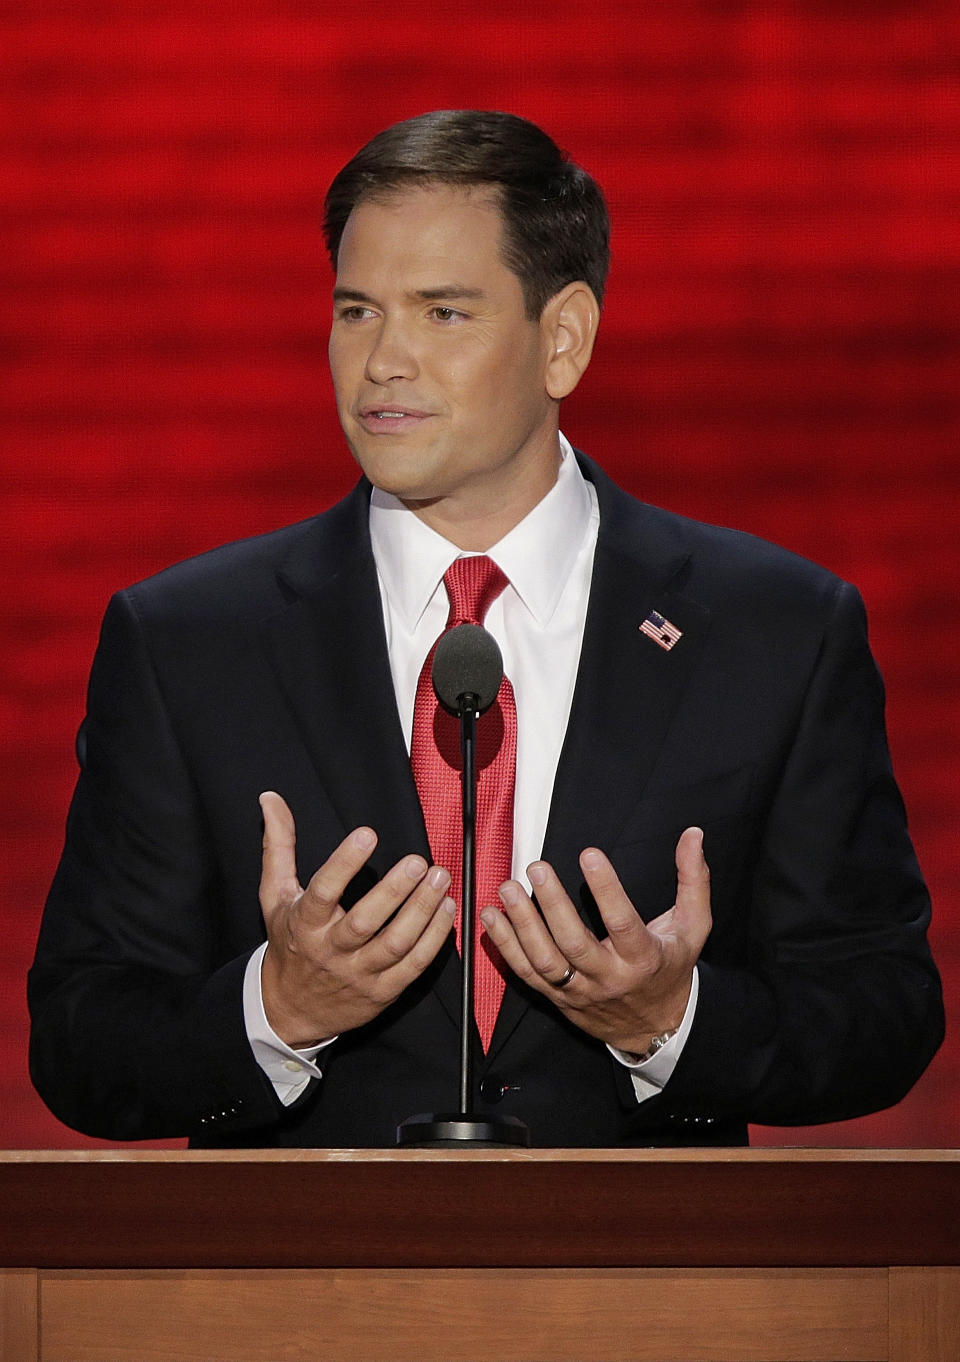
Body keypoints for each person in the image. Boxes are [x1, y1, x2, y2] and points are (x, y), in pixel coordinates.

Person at [29, 110, 943, 1148]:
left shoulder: (774, 631)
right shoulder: (187, 641)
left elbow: (883, 1014)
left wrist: (671, 1024)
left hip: (649, 1295)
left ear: (563, 340)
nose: (382, 362)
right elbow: (79, 1041)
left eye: (443, 314)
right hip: (297, 1294)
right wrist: (276, 1012)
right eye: (357, 311)